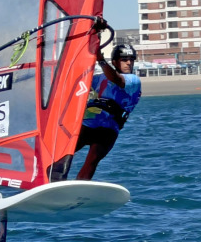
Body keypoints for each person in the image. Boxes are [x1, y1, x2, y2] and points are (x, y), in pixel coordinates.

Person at [50, 43, 142, 181]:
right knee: (59, 154)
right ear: (115, 62)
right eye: (124, 60)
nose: (129, 63)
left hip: (108, 129)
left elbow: (116, 79)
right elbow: (75, 81)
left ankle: (79, 189)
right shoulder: (99, 79)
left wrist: (100, 59)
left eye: (131, 59)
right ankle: (50, 180)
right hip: (88, 124)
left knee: (92, 160)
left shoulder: (133, 80)